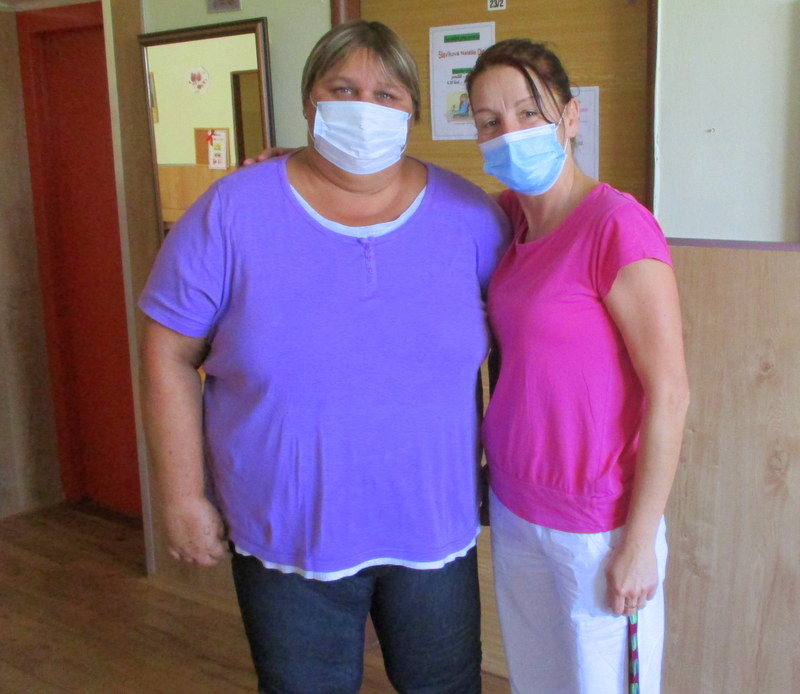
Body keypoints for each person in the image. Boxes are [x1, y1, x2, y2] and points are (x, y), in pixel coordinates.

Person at [138, 19, 509, 694]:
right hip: (286, 532)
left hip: (431, 526)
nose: (364, 108)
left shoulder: (470, 217)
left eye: (386, 94)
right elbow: (168, 352)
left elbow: (517, 348)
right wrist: (182, 495)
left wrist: (507, 470)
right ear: (310, 101)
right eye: (343, 89)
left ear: (413, 113)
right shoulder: (231, 212)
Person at [465, 39, 690, 694]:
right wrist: (297, 170)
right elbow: (420, 201)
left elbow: (670, 392)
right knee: (537, 682)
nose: (509, 133)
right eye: (489, 121)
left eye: (528, 112)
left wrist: (639, 543)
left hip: (600, 524)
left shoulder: (617, 226)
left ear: (570, 116)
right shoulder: (508, 219)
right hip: (515, 505)